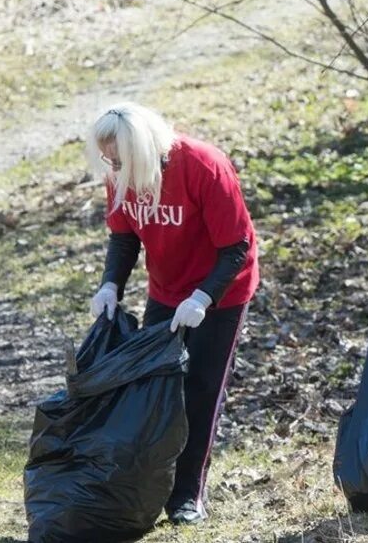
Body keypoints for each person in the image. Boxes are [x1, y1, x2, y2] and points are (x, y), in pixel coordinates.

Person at [85, 103, 259, 525]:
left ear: (144, 149)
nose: (114, 167)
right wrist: (111, 285)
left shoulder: (204, 166)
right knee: (157, 385)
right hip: (166, 288)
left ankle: (187, 495)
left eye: (120, 159)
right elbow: (124, 237)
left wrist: (203, 299)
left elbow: (236, 246)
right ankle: (149, 486)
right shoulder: (121, 172)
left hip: (221, 291)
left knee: (200, 388)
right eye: (109, 159)